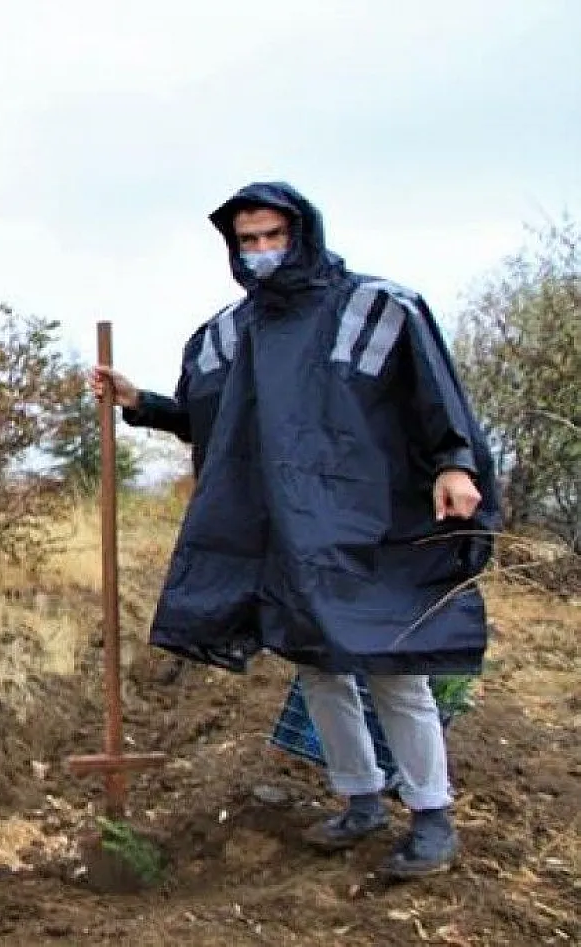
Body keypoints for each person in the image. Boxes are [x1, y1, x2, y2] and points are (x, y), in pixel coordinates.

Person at [93, 182, 499, 880]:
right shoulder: (228, 334)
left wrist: (454, 464)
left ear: (301, 232)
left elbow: (437, 395)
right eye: (247, 241)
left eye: (271, 236)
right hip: (289, 530)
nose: (260, 252)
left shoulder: (377, 308)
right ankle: (361, 797)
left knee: (394, 668)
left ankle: (432, 815)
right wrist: (141, 403)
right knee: (318, 666)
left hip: (377, 524)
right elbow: (208, 421)